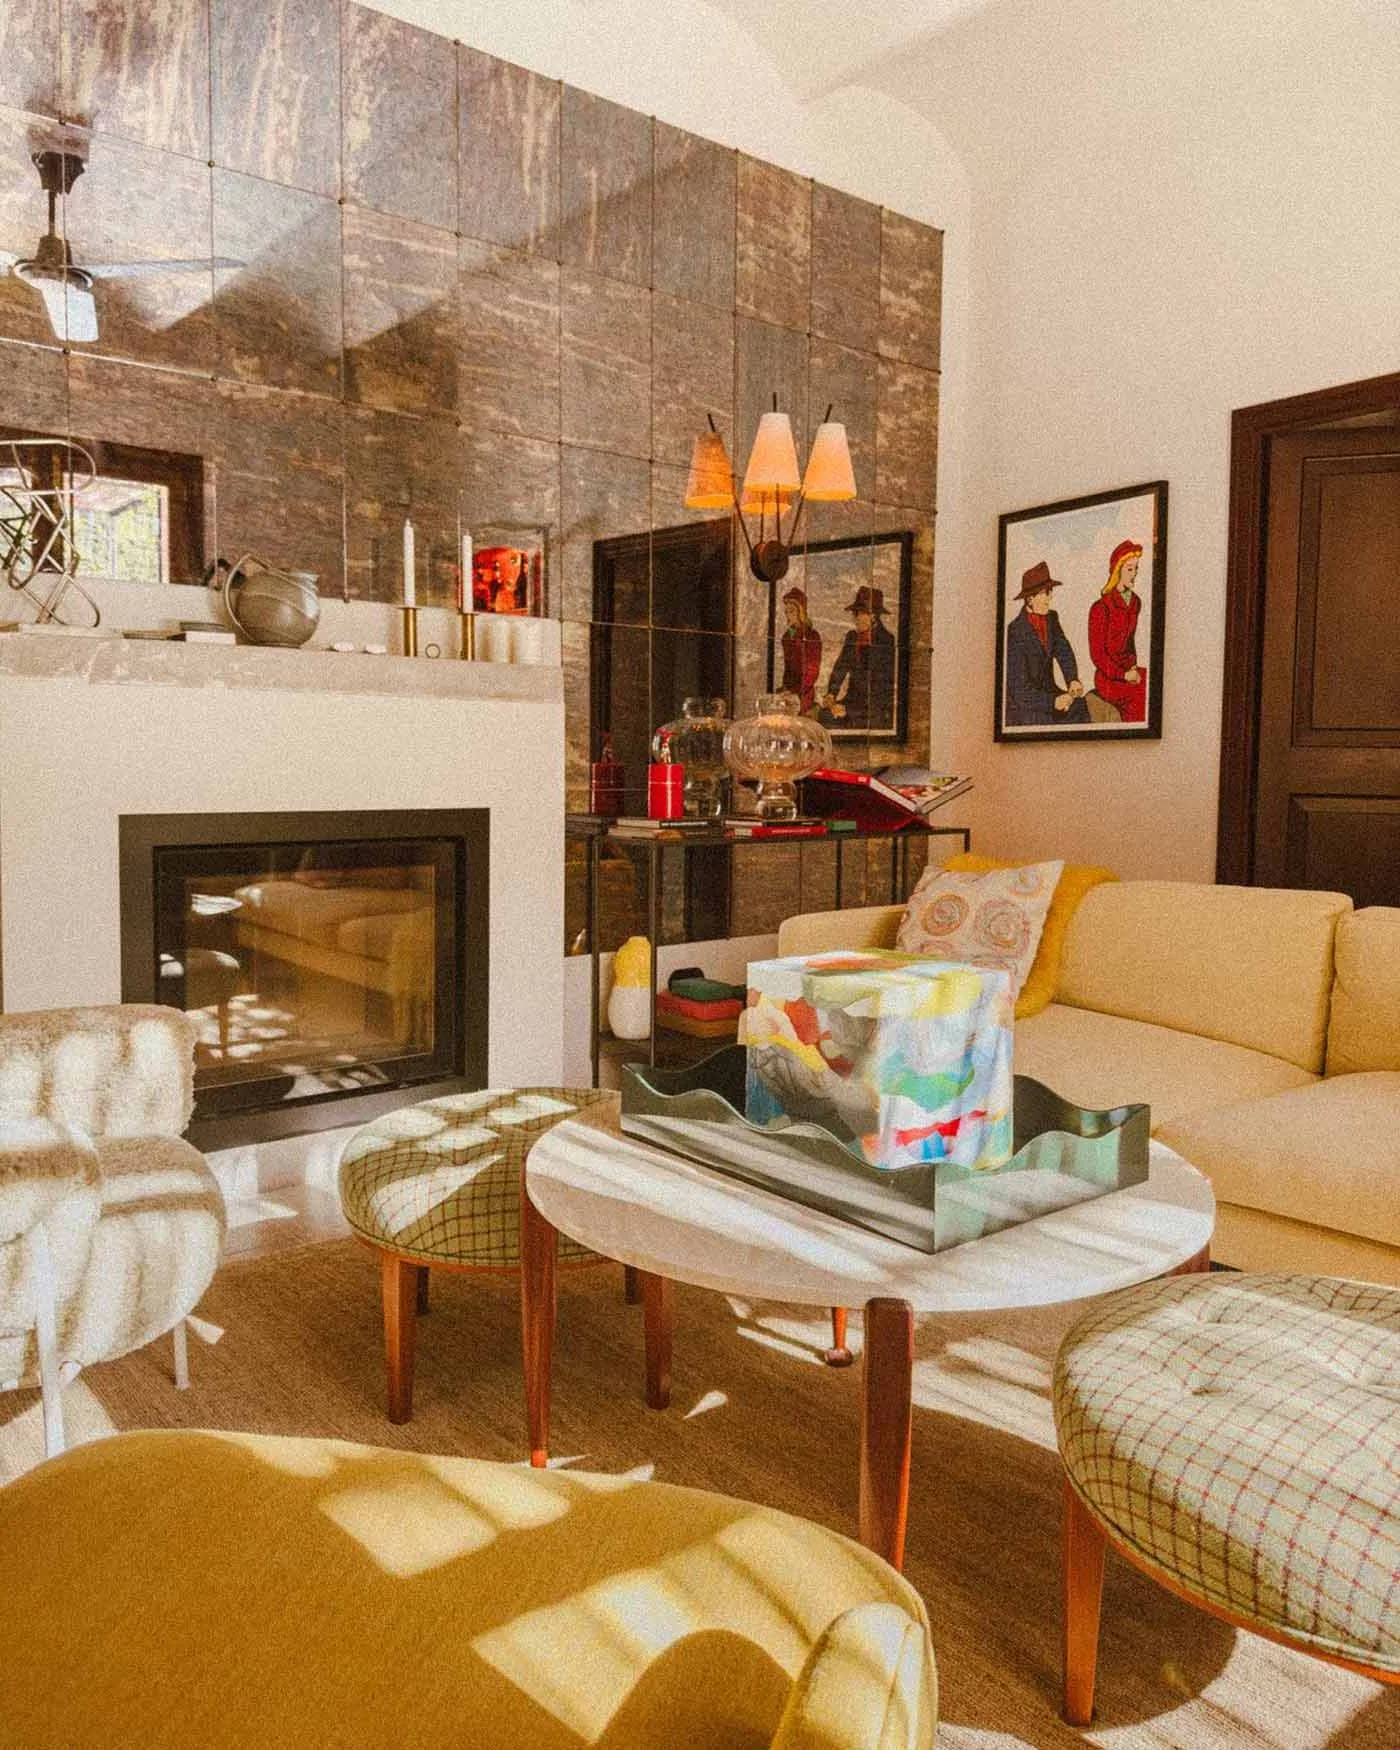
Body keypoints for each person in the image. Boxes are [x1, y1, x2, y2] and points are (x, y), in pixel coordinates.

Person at [1003, 560, 1089, 726]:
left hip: (1050, 694)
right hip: (1025, 707)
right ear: (1030, 599)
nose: (1050, 597)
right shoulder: (1014, 632)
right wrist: (1053, 702)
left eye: (1050, 592)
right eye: (1045, 593)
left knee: (1080, 707)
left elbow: (1063, 651)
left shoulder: (1051, 618)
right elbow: (1019, 690)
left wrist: (1072, 679)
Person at [820, 584, 896, 730]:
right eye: (855, 613)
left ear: (872, 616)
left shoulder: (886, 641)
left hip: (874, 711)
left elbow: (881, 691)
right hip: (851, 701)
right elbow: (840, 668)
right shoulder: (852, 637)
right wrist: (831, 694)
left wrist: (849, 711)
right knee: (824, 716)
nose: (855, 619)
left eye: (859, 613)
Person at [1088, 538, 1147, 722]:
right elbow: (1098, 655)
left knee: (1150, 682)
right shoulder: (1101, 608)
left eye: (1136, 568)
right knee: (1138, 695)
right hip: (1108, 677)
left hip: (1128, 669)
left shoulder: (1136, 602)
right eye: (1129, 569)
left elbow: (1131, 642)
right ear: (1117, 571)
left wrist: (1133, 665)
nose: (1134, 574)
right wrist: (1123, 674)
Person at [778, 586, 823, 713]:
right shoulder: (787, 636)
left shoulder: (812, 636)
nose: (788, 615)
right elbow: (787, 667)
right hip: (789, 690)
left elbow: (812, 670)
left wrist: (797, 692)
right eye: (786, 611)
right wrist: (786, 688)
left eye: (792, 611)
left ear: (801, 612)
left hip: (804, 691)